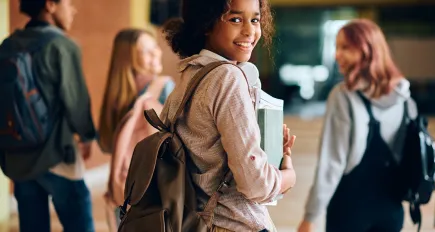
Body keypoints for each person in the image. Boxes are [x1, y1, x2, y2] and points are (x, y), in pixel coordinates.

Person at [160, 0, 297, 231]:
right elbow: (256, 184)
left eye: (255, 19)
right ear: (207, 23)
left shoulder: (190, 74)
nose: (249, 31)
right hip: (232, 223)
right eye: (235, 19)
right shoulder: (227, 78)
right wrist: (287, 177)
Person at [297, 19, 418, 232]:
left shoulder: (343, 97)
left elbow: (332, 163)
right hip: (392, 211)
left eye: (345, 47)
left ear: (366, 50)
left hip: (349, 210)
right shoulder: (405, 99)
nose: (336, 55)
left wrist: (310, 217)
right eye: (337, 47)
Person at [0, 0, 96, 231]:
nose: (72, 10)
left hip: (18, 154)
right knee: (79, 223)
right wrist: (87, 137)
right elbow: (76, 101)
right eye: (68, 3)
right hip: (56, 153)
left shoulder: (8, 45)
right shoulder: (62, 45)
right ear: (50, 5)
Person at [97, 28, 175, 230]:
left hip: (124, 191)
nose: (157, 53)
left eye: (156, 48)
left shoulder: (115, 99)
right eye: (147, 51)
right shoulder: (163, 87)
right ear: (129, 58)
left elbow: (106, 144)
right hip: (154, 191)